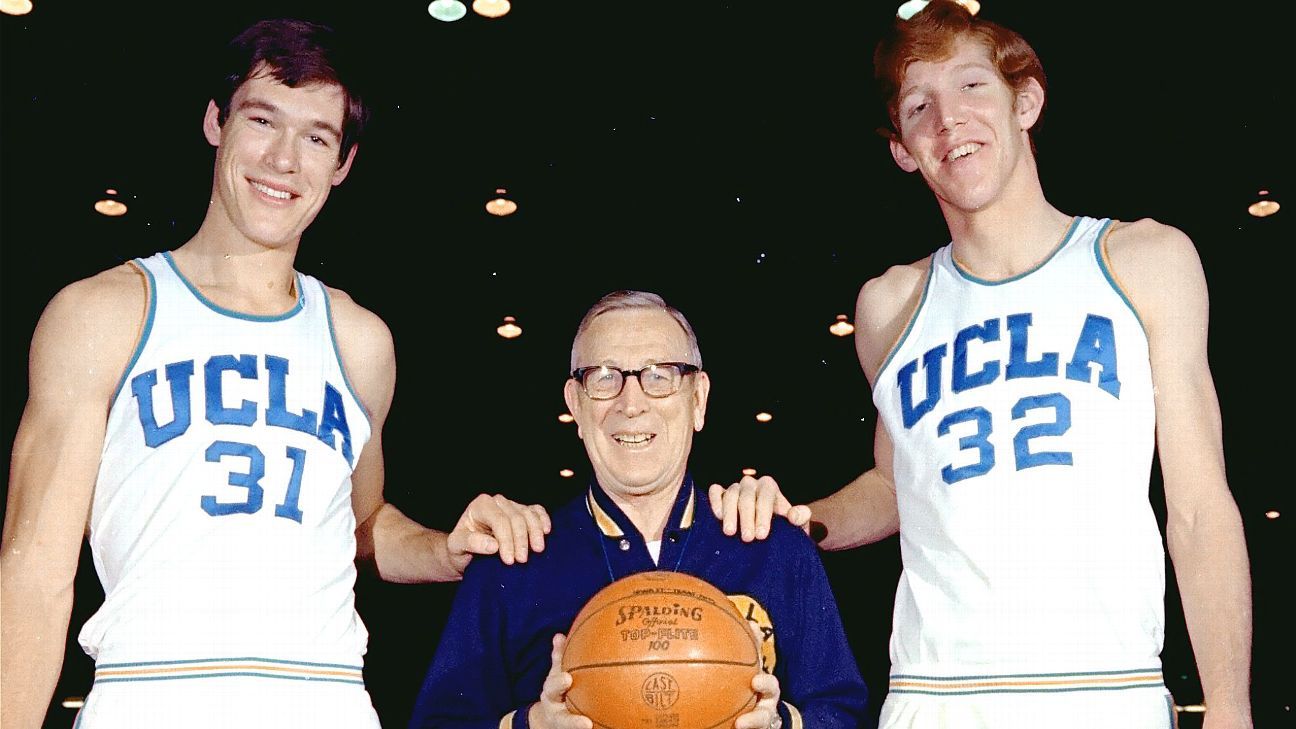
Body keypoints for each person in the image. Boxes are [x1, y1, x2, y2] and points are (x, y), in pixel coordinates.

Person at [708, 2, 1253, 728]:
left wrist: (1230, 705)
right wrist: (805, 519)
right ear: (902, 147)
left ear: (1025, 101)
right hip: (933, 700)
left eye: (971, 86)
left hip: (1102, 691)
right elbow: (899, 478)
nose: (948, 121)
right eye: (918, 105)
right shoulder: (887, 305)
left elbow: (1197, 507)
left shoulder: (1143, 262)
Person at [0, 18, 550, 729]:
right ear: (215, 123)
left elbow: (356, 526)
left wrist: (442, 549)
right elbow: (35, 568)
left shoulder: (359, 341)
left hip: (326, 702)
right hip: (153, 695)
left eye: (316, 137)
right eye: (263, 120)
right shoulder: (104, 314)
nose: (284, 160)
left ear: (343, 163)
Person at [408, 290, 869, 729]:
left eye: (659, 375)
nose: (631, 403)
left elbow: (845, 714)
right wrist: (530, 723)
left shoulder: (773, 547)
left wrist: (780, 721)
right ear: (576, 404)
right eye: (605, 377)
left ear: (698, 400)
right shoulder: (515, 558)